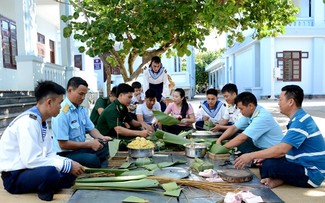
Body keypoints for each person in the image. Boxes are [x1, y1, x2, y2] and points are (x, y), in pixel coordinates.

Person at [0, 81, 84, 201]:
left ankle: (50, 183)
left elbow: (49, 154)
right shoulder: (28, 122)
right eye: (60, 103)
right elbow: (30, 160)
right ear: (49, 102)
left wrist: (69, 163)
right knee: (51, 173)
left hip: (29, 170)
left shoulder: (41, 121)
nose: (61, 107)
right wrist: (66, 165)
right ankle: (45, 192)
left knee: (69, 171)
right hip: (15, 176)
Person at [234, 85, 325, 188]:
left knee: (269, 166)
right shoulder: (298, 119)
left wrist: (250, 155)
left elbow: (281, 150)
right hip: (301, 163)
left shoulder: (301, 121)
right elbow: (286, 150)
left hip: (312, 173)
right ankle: (280, 179)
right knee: (265, 162)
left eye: (280, 99)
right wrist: (263, 156)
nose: (278, 103)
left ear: (290, 102)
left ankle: (280, 179)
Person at [52, 77, 112, 168]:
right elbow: (63, 144)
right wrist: (89, 144)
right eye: (81, 94)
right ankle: (98, 170)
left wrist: (102, 138)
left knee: (106, 147)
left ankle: (98, 166)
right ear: (70, 90)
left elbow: (91, 129)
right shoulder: (62, 112)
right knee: (92, 159)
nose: (83, 97)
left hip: (80, 149)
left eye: (85, 94)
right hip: (65, 153)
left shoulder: (81, 109)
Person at [217, 92, 283, 154]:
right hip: (258, 145)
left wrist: (221, 149)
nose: (240, 111)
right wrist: (219, 140)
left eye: (241, 109)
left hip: (272, 150)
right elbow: (234, 128)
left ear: (250, 106)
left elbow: (242, 138)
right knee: (237, 143)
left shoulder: (262, 117)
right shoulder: (251, 112)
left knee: (239, 144)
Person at [96, 83, 152, 148]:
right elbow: (118, 130)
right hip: (106, 139)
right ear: (121, 95)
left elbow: (132, 122)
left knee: (140, 139)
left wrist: (144, 124)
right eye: (129, 97)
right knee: (136, 143)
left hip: (115, 136)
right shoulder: (113, 109)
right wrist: (140, 133)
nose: (131, 100)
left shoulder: (123, 107)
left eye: (131, 97)